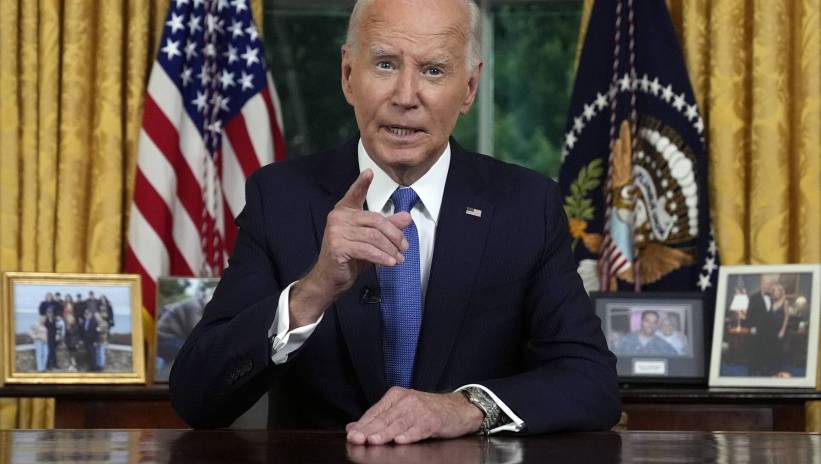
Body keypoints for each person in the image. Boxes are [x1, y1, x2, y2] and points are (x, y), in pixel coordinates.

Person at [170, 0, 620, 443]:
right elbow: (196, 397)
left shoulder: (526, 206)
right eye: (385, 64)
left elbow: (592, 383)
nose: (405, 97)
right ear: (349, 76)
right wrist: (313, 291)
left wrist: (465, 407)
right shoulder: (282, 198)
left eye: (434, 70)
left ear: (469, 87)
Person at [80, 307, 99, 371]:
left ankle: (95, 368)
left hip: (92, 341)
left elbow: (97, 332)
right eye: (85, 314)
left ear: (90, 314)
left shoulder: (95, 322)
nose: (86, 315)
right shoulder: (84, 322)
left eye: (88, 314)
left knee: (93, 355)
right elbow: (82, 332)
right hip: (86, 341)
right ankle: (90, 367)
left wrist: (96, 341)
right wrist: (82, 340)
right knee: (88, 354)